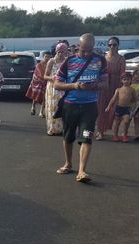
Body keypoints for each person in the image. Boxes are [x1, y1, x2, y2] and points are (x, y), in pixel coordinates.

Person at [54, 33, 108, 183]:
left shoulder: (100, 61)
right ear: (78, 46)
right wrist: (74, 85)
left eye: (89, 50)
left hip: (90, 107)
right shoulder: (69, 61)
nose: (86, 53)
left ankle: (82, 171)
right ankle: (68, 163)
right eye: (83, 50)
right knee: (68, 136)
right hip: (70, 106)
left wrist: (95, 86)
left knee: (86, 136)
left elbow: (106, 84)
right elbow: (56, 84)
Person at [95, 37, 126, 140]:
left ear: (118, 46)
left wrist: (123, 88)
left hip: (115, 85)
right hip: (104, 85)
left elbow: (123, 74)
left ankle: (112, 131)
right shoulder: (103, 57)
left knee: (113, 109)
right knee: (101, 108)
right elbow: (98, 71)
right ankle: (100, 131)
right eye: (110, 45)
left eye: (114, 45)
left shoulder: (121, 59)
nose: (112, 46)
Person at [44, 42, 69, 135]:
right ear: (55, 51)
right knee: (53, 108)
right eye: (58, 52)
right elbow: (45, 76)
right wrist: (52, 78)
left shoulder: (67, 61)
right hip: (53, 88)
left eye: (63, 52)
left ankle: (62, 129)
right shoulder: (51, 61)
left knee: (63, 108)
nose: (60, 54)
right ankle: (52, 129)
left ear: (66, 52)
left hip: (64, 87)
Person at [105, 72, 136, 142]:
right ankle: (115, 135)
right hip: (119, 107)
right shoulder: (118, 89)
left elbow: (134, 100)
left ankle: (124, 135)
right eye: (124, 79)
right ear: (121, 80)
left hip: (127, 108)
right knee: (117, 122)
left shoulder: (132, 90)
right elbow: (113, 99)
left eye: (128, 79)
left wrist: (133, 109)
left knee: (126, 121)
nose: (126, 81)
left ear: (131, 80)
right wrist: (108, 106)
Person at [26, 51, 51, 116]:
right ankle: (33, 106)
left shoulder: (51, 65)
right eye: (46, 56)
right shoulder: (39, 65)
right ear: (43, 57)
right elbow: (36, 74)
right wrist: (41, 79)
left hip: (46, 83)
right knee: (35, 96)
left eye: (48, 57)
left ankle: (41, 111)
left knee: (45, 97)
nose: (47, 58)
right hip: (38, 83)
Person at [132, 69, 139, 141]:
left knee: (137, 119)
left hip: (137, 105)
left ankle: (137, 134)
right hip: (130, 105)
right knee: (127, 120)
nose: (137, 76)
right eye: (136, 74)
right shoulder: (129, 84)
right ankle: (125, 133)